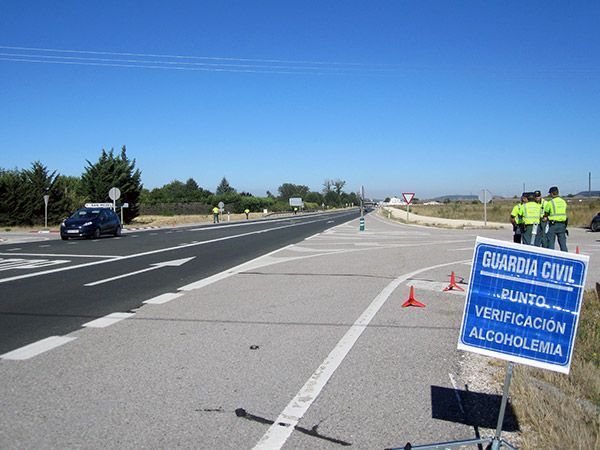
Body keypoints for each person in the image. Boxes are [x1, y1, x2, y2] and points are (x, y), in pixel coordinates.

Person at [544, 186, 568, 251]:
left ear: (552, 193)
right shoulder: (563, 202)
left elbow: (546, 213)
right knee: (563, 243)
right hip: (562, 224)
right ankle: (565, 257)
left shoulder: (550, 203)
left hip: (553, 225)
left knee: (551, 243)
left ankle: (551, 258)